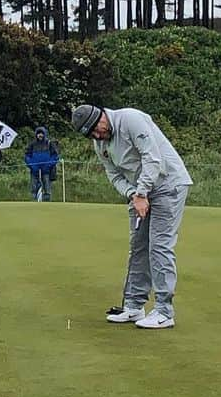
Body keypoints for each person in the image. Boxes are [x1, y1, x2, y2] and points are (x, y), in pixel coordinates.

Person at [72, 102, 192, 330]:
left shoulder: (130, 119)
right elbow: (113, 174)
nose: (98, 135)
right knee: (138, 246)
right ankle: (134, 306)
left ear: (102, 115)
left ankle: (164, 312)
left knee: (159, 246)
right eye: (91, 134)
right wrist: (133, 194)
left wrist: (141, 192)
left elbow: (152, 158)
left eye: (97, 128)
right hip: (140, 193)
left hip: (169, 185)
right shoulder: (101, 144)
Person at [24, 126, 59, 201]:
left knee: (47, 190)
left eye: (42, 133)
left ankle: (47, 206)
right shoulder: (32, 144)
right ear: (36, 134)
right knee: (33, 190)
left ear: (44, 134)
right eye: (38, 133)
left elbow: (55, 156)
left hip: (46, 171)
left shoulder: (49, 143)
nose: (40, 135)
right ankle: (33, 205)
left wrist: (48, 165)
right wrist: (32, 166)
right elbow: (27, 156)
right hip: (34, 171)